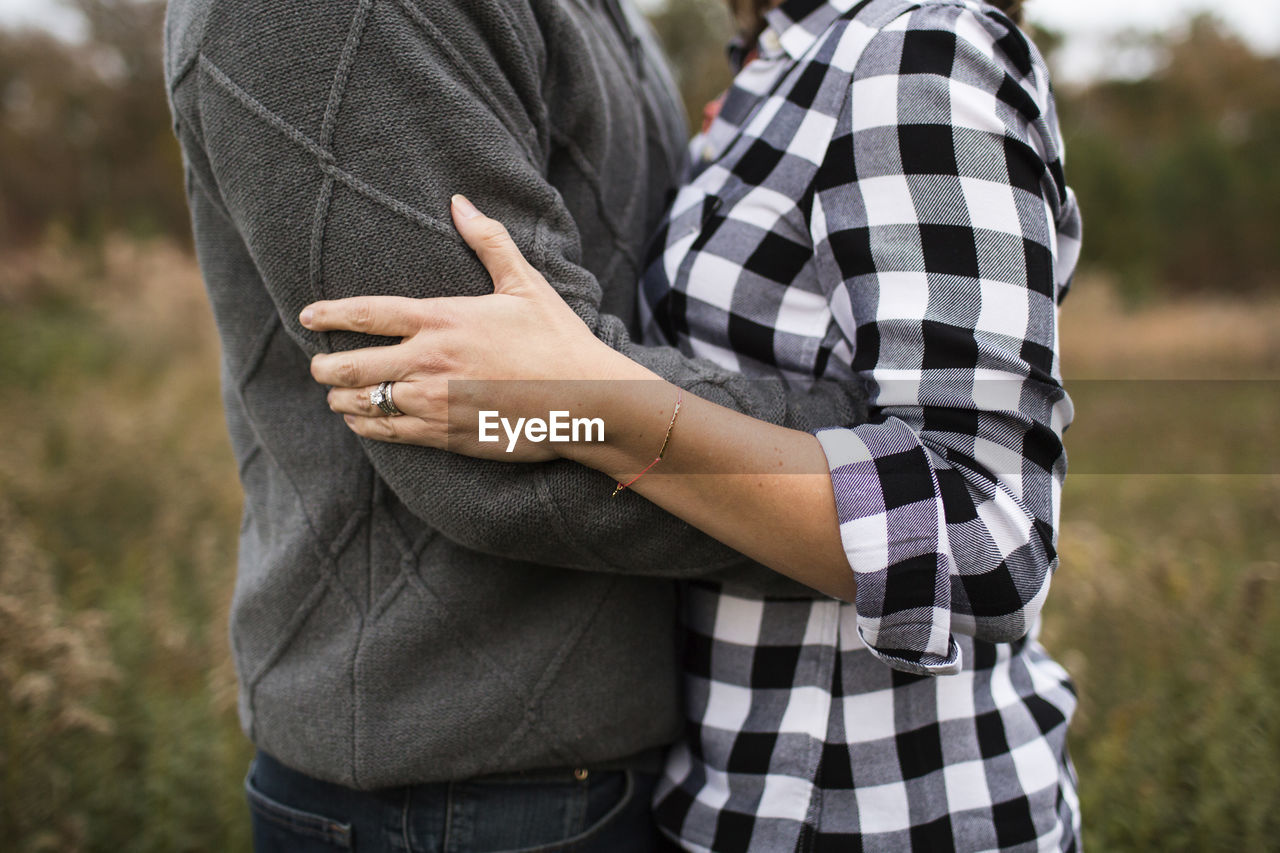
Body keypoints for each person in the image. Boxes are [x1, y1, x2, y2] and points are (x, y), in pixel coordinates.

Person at [300, 0, 1083, 850]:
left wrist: (593, 399)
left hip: (893, 805)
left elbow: (989, 533)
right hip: (728, 801)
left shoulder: (921, 50)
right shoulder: (783, 63)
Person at [164, 0, 870, 849]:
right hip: (455, 794)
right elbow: (488, 449)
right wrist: (877, 451)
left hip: (607, 758)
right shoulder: (346, 17)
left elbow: (573, 372)